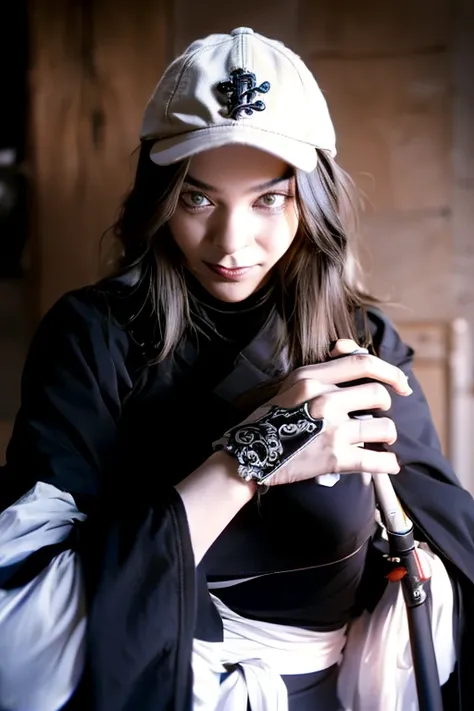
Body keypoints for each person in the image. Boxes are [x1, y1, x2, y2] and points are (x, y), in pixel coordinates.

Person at [0, 26, 473, 711]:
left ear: (312, 199)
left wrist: (408, 589)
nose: (231, 241)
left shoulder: (363, 339)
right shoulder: (92, 337)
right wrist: (256, 453)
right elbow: (19, 646)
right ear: (159, 197)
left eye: (268, 199)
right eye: (197, 198)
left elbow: (438, 550)